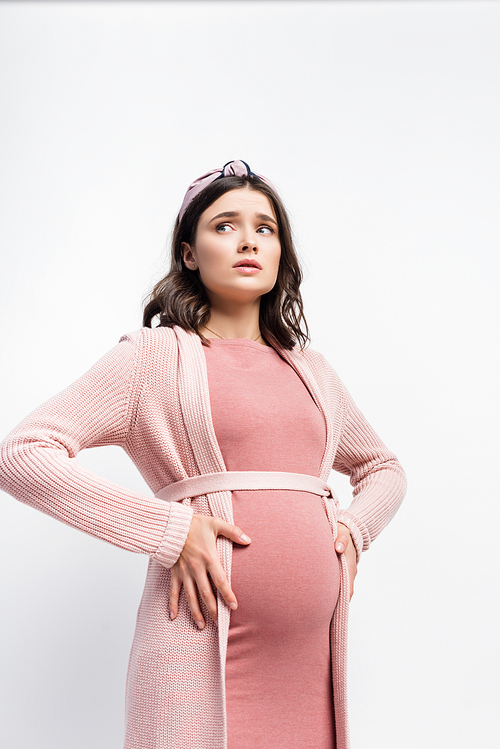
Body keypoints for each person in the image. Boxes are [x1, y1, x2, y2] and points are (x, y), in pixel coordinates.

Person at [0, 160, 406, 749]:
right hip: (197, 644)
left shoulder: (313, 371)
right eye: (224, 226)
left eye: (265, 228)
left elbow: (383, 469)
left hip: (306, 664)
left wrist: (353, 528)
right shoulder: (152, 360)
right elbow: (22, 454)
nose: (248, 240)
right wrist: (171, 527)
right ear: (189, 253)